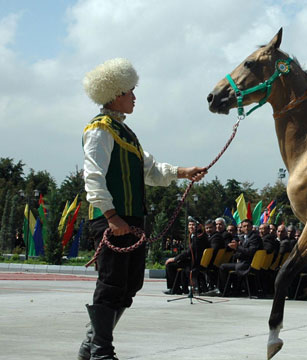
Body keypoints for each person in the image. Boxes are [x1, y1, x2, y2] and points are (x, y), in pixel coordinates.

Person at [79, 58, 206, 360]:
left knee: (129, 285)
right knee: (110, 284)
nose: (135, 97)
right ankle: (100, 351)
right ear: (115, 93)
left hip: (132, 221)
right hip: (111, 220)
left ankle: (90, 344)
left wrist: (183, 172)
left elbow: (151, 170)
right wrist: (111, 216)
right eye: (130, 91)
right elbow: (92, 176)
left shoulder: (127, 134)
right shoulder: (100, 130)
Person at [164, 219, 210, 295]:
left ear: (199, 226)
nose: (191, 227)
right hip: (194, 261)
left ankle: (174, 288)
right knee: (177, 264)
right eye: (190, 225)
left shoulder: (198, 237)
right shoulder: (198, 235)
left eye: (193, 225)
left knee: (170, 265)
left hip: (195, 263)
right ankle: (179, 288)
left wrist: (175, 259)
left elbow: (188, 252)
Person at [218, 219, 263, 294]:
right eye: (244, 226)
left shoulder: (254, 237)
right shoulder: (245, 237)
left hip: (248, 264)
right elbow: (242, 252)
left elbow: (250, 251)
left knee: (222, 267)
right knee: (228, 263)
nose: (246, 228)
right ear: (241, 228)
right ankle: (233, 289)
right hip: (243, 262)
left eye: (248, 226)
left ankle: (223, 291)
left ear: (252, 227)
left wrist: (237, 247)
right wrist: (236, 252)